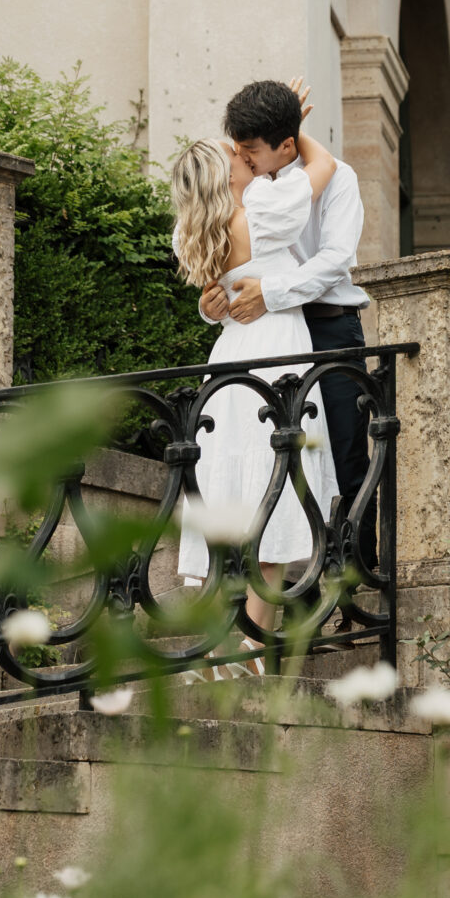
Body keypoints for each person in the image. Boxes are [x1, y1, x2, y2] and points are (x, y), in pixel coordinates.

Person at [202, 78, 377, 569]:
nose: (245, 160)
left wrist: (271, 294)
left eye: (252, 151)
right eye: (239, 150)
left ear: (285, 145)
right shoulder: (246, 185)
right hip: (268, 336)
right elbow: (219, 258)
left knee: (343, 458)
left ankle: (355, 592)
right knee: (277, 460)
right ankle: (298, 594)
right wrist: (213, 302)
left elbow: (335, 260)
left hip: (329, 330)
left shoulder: (336, 178)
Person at [168, 126, 340, 629]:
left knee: (231, 492)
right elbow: (324, 165)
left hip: (229, 360)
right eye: (235, 152)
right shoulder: (262, 210)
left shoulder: (190, 233)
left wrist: (207, 308)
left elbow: (216, 302)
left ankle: (222, 650)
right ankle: (254, 646)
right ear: (227, 175)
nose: (244, 153)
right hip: (276, 350)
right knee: (274, 489)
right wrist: (291, 130)